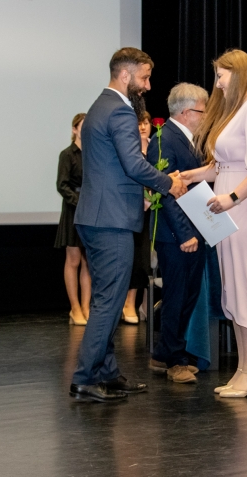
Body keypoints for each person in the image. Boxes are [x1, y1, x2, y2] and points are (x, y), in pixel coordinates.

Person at [70, 47, 187, 404]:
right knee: (109, 301)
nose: (148, 86)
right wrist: (169, 183)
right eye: (145, 77)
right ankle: (85, 378)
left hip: (97, 217)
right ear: (125, 75)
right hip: (111, 221)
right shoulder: (120, 111)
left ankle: (106, 372)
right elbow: (133, 164)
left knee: (107, 298)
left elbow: (115, 167)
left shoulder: (98, 107)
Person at [180, 49, 247, 398]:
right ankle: (245, 368)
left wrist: (231, 198)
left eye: (221, 75)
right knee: (236, 289)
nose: (218, 83)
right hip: (232, 210)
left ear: (238, 73)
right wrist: (191, 175)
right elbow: (223, 165)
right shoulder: (236, 110)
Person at [147, 83, 210, 384]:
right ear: (186, 112)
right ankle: (174, 361)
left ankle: (165, 353)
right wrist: (185, 234)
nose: (206, 116)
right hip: (176, 235)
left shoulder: (187, 139)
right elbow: (166, 192)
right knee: (176, 296)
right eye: (202, 111)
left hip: (194, 230)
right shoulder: (163, 139)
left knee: (187, 295)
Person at [55, 113, 91, 326]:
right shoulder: (67, 154)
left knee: (88, 261)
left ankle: (86, 307)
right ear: (74, 129)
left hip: (91, 211)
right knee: (74, 260)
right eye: (82, 126)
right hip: (73, 210)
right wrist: (79, 202)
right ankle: (74, 308)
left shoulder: (94, 154)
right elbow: (62, 185)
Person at [122, 111, 153, 325]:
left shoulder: (157, 148)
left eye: (146, 122)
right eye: (139, 123)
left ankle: (145, 304)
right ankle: (128, 303)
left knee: (150, 261)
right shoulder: (129, 149)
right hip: (134, 211)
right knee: (137, 258)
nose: (143, 126)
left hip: (154, 211)